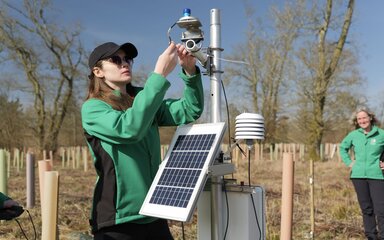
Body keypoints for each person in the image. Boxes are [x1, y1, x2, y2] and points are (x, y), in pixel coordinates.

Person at [81, 41, 204, 240]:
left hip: (154, 212)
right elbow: (130, 129)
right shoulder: (93, 108)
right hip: (118, 220)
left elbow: (189, 110)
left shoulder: (142, 97)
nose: (125, 63)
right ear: (98, 71)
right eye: (115, 59)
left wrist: (190, 72)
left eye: (127, 59)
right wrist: (159, 76)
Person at [340, 107, 384, 240]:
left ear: (370, 118)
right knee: (366, 209)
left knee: (381, 210)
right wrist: (350, 163)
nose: (362, 120)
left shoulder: (381, 134)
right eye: (359, 119)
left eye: (364, 117)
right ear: (356, 121)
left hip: (377, 175)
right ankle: (371, 236)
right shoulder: (353, 135)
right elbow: (343, 148)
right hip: (358, 176)